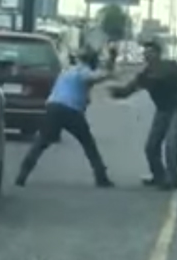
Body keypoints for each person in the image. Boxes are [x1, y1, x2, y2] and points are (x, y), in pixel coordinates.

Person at [15, 47, 115, 188]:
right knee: (88, 144)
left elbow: (83, 94)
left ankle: (22, 175)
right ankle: (101, 177)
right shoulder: (84, 72)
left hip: (53, 107)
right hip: (71, 111)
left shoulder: (66, 71)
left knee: (41, 142)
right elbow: (102, 76)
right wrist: (112, 61)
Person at [109, 39, 177, 190]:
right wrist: (115, 92)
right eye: (145, 53)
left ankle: (172, 179)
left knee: (171, 144)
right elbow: (129, 89)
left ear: (158, 54)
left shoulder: (170, 65)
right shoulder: (145, 74)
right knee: (151, 147)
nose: (147, 55)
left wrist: (168, 78)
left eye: (150, 52)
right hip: (163, 110)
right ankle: (159, 176)